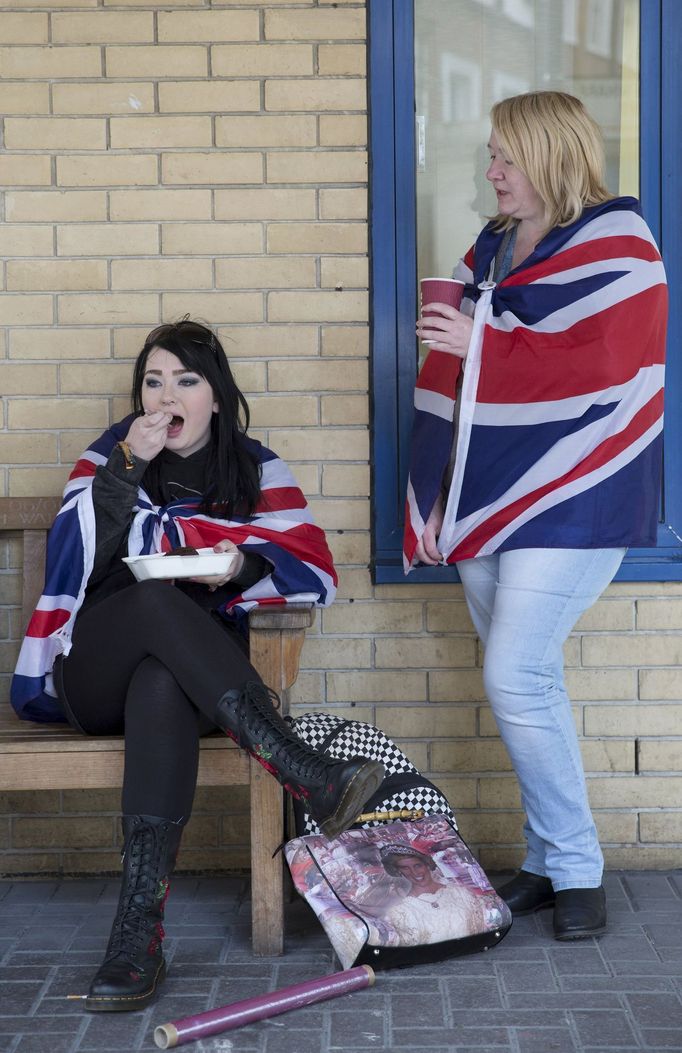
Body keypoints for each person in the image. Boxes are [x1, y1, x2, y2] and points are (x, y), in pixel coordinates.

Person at [11, 318, 384, 1012]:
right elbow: (75, 561)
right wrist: (125, 468)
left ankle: (136, 938)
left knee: (163, 679)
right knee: (152, 605)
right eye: (153, 380)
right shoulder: (111, 455)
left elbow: (306, 565)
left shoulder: (254, 470)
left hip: (195, 685)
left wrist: (243, 565)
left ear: (216, 395)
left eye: (185, 379)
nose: (165, 394)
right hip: (92, 672)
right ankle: (299, 767)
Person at [404, 92, 667, 940]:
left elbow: (601, 357)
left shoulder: (619, 242)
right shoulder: (490, 245)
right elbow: (484, 355)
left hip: (582, 487)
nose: (490, 173)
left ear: (549, 153)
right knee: (532, 680)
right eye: (489, 156)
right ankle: (550, 862)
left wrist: (476, 337)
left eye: (503, 158)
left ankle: (579, 868)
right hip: (491, 491)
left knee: (513, 676)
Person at [380, 845, 487, 943]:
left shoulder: (461, 893)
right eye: (405, 868)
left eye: (418, 865)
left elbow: (479, 930)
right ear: (399, 871)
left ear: (427, 865)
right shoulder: (400, 911)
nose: (414, 872)